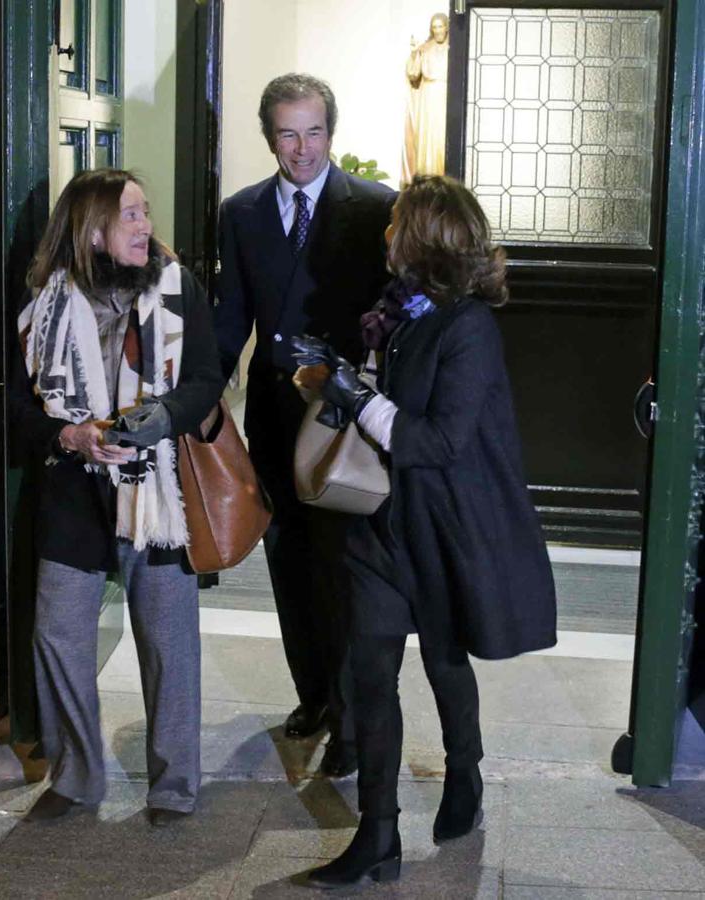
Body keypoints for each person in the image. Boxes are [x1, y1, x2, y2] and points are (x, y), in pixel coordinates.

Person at [292, 175, 557, 889]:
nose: (385, 234)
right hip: (379, 521)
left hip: (439, 523)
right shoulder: (395, 311)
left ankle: (463, 775)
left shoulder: (467, 326)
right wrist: (333, 378)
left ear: (425, 239)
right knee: (369, 673)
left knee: (443, 659)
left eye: (396, 224)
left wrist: (358, 398)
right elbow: (381, 397)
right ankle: (376, 836)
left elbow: (438, 440)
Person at [9, 169, 225, 825]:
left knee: (168, 646)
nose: (144, 226)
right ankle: (74, 777)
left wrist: (160, 419)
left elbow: (205, 381)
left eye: (145, 211)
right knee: (57, 636)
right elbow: (16, 407)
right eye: (129, 215)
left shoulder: (176, 289)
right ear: (92, 229)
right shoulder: (43, 304)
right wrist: (70, 434)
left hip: (157, 494)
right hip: (74, 493)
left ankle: (174, 785)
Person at [214, 73, 396, 776]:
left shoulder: (374, 206)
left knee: (343, 567)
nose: (301, 150)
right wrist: (207, 393)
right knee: (287, 561)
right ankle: (314, 695)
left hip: (342, 417)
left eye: (313, 131)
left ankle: (353, 720)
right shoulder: (242, 211)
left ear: (331, 131)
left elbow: (394, 313)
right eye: (287, 134)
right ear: (269, 138)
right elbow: (233, 316)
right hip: (271, 411)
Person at [401, 13, 450, 184]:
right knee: (427, 139)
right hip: (428, 99)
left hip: (446, 97)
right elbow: (413, 74)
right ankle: (427, 179)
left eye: (441, 26)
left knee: (443, 138)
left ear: (447, 27)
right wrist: (414, 54)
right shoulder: (424, 49)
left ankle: (445, 178)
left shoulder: (454, 48)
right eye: (435, 27)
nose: (438, 30)